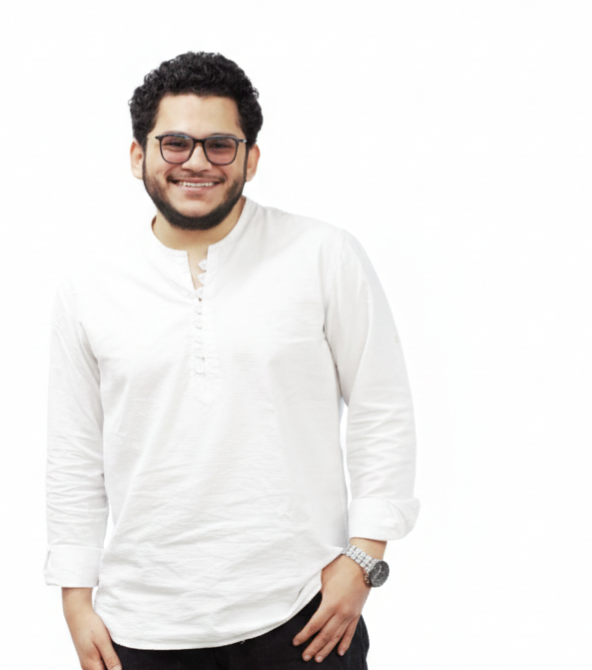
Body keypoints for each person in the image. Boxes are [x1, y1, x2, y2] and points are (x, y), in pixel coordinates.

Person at [44, 52, 419, 670]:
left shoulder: (323, 255)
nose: (197, 161)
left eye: (220, 145)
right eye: (174, 143)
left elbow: (383, 408)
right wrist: (75, 599)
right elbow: (74, 452)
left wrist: (363, 559)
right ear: (138, 155)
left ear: (251, 158)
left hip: (305, 616)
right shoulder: (90, 285)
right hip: (141, 628)